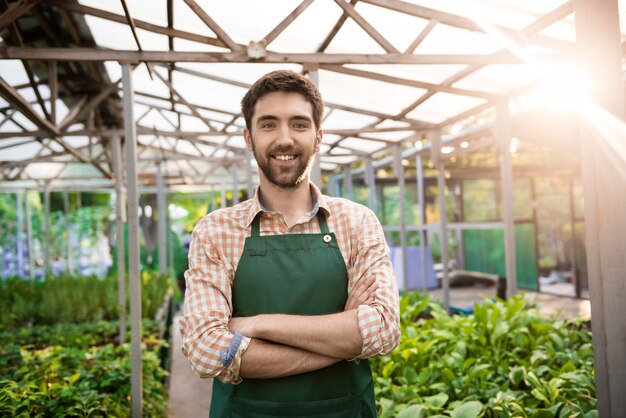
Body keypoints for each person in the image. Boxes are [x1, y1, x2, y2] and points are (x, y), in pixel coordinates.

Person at [179, 70, 400, 417]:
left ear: (318, 136)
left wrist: (256, 325)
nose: (285, 139)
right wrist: (344, 338)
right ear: (248, 138)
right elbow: (207, 350)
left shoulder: (357, 222)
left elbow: (384, 329)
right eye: (268, 125)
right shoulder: (216, 230)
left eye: (299, 124)